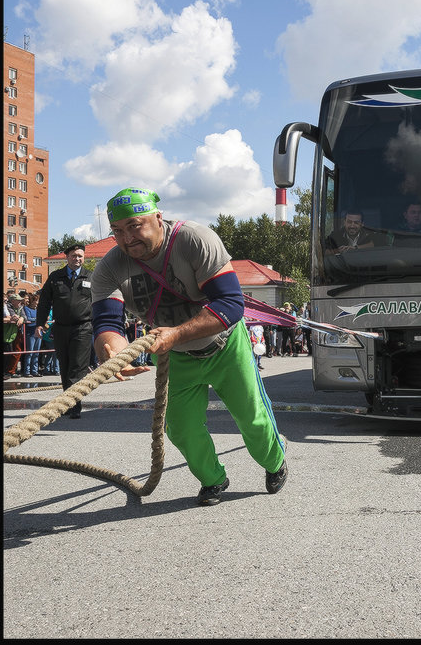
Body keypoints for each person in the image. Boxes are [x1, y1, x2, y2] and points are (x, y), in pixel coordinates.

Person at [90, 187, 287, 506]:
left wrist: (175, 335)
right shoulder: (110, 267)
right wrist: (113, 351)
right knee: (180, 428)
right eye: (118, 231)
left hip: (225, 346)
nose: (127, 239)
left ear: (157, 217)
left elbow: (230, 304)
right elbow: (108, 323)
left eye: (135, 226)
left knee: (251, 417)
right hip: (177, 356)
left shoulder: (195, 239)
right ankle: (214, 479)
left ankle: (274, 462)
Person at [35, 243, 93, 418]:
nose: (77, 259)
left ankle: (74, 404)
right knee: (65, 367)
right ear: (66, 257)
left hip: (82, 327)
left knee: (77, 367)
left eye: (80, 256)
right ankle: (68, 401)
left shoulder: (91, 276)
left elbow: (101, 300)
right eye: (74, 256)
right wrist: (40, 323)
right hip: (60, 328)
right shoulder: (55, 277)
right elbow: (44, 302)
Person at [3, 291, 25, 377]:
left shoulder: (20, 307)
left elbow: (24, 317)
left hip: (13, 333)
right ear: (12, 301)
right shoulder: (8, 306)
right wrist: (14, 318)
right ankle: (7, 371)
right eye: (18, 300)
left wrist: (22, 318)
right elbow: (11, 316)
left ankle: (10, 371)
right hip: (6, 332)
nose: (20, 302)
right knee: (7, 353)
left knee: (12, 353)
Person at [21, 293, 42, 377]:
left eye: (37, 301)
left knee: (36, 353)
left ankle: (35, 371)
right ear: (31, 301)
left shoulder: (38, 310)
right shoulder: (26, 308)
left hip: (38, 333)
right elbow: (28, 319)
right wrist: (38, 319)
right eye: (35, 301)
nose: (37, 303)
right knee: (29, 353)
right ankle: (27, 371)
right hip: (30, 333)